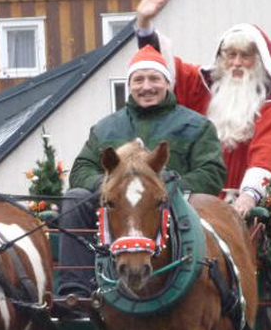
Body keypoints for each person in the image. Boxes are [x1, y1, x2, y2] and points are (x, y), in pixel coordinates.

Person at [56, 45, 227, 303]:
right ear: (130, 85)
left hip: (172, 208)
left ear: (167, 83)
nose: (146, 86)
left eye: (154, 78)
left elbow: (211, 173)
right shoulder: (105, 129)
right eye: (139, 80)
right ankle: (76, 291)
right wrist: (113, 187)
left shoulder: (196, 126)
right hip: (117, 209)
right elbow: (81, 170)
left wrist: (170, 184)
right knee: (75, 198)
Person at [134, 0, 271, 218]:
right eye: (230, 55)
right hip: (194, 203)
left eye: (245, 56)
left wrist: (248, 197)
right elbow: (161, 71)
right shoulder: (203, 89)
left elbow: (269, 155)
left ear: (260, 62)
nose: (237, 63)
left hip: (249, 208)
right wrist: (144, 22)